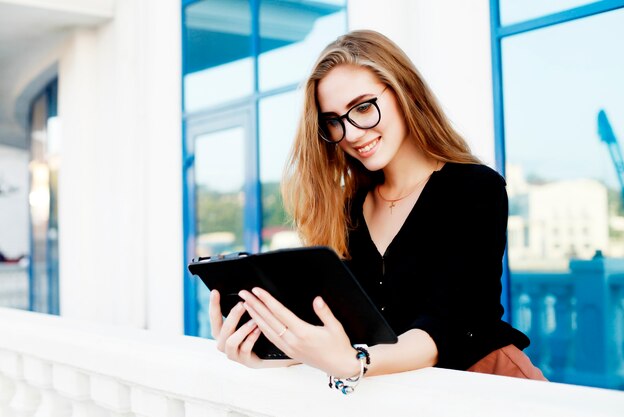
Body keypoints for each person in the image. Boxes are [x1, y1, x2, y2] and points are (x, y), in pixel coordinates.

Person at [209, 30, 545, 390]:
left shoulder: (475, 188)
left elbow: (447, 324)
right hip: (403, 394)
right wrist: (273, 353)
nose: (351, 133)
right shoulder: (345, 210)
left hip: (491, 386)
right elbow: (344, 335)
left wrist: (355, 363)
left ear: (405, 92)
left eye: (364, 107)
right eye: (334, 121)